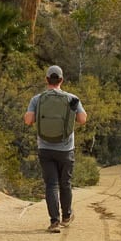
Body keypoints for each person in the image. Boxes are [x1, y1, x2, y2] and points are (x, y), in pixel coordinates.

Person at [24, 65, 88, 232]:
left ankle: (54, 222)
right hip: (66, 149)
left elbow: (28, 120)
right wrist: (73, 110)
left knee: (51, 185)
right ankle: (66, 216)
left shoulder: (37, 99)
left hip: (45, 148)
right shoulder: (72, 98)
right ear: (61, 80)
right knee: (65, 183)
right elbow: (82, 119)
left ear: (47, 80)